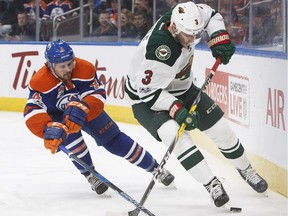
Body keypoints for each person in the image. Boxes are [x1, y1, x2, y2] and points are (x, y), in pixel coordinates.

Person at [124, 2, 268, 208]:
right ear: (174, 28)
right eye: (188, 35)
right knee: (176, 135)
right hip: (145, 99)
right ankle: (212, 185)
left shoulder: (183, 16)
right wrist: (177, 109)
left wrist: (220, 37)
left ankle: (247, 170)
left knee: (222, 130)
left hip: (181, 87)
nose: (193, 40)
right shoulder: (159, 51)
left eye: (196, 34)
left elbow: (210, 14)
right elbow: (149, 92)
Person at [23, 39, 175, 196]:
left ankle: (155, 168)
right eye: (63, 66)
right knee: (74, 144)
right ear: (50, 65)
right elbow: (32, 109)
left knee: (113, 139)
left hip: (86, 109)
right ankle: (90, 175)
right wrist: (46, 128)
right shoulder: (39, 82)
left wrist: (84, 108)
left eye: (71, 63)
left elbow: (97, 94)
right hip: (59, 116)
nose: (68, 69)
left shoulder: (85, 68)